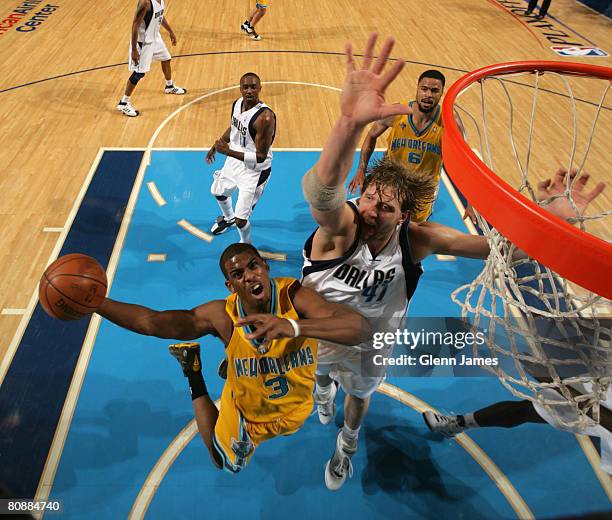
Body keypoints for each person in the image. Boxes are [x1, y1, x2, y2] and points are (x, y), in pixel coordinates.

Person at [300, 34, 607, 491]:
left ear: (405, 215)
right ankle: (323, 392)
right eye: (368, 199)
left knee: (358, 401)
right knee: (322, 376)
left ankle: (346, 445)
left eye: (385, 207)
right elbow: (322, 194)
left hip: (373, 342)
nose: (371, 210)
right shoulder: (340, 229)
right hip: (324, 329)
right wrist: (345, 126)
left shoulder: (418, 238)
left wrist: (545, 219)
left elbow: (501, 250)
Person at [96, 243, 372, 474]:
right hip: (247, 413)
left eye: (253, 266)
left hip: (296, 407)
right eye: (238, 274)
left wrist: (294, 326)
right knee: (222, 462)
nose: (249, 276)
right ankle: (191, 368)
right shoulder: (222, 316)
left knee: (289, 425)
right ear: (230, 285)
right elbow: (152, 322)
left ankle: (235, 362)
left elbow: (359, 328)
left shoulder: (295, 298)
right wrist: (98, 304)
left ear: (265, 267)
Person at [347, 69, 452, 223]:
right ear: (417, 88)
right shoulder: (397, 112)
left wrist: (471, 201)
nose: (428, 95)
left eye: (434, 91)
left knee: (411, 230)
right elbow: (371, 136)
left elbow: (464, 163)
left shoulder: (449, 123)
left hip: (421, 189)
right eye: (424, 89)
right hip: (392, 182)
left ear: (442, 92)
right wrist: (361, 169)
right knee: (377, 221)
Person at [205, 73, 276, 244]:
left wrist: (227, 151)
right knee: (218, 191)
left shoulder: (265, 118)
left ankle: (246, 245)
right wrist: (217, 145)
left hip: (254, 171)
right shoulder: (237, 104)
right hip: (236, 159)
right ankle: (227, 218)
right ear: (240, 89)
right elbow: (234, 128)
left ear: (260, 88)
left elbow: (260, 156)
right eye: (245, 87)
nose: (249, 91)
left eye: (253, 87)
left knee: (241, 220)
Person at [116, 0, 186, 118]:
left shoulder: (160, 1)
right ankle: (123, 103)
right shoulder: (145, 3)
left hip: (155, 38)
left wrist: (170, 31)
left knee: (166, 58)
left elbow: (160, 16)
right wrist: (134, 49)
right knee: (139, 74)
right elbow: (135, 25)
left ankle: (169, 86)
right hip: (143, 43)